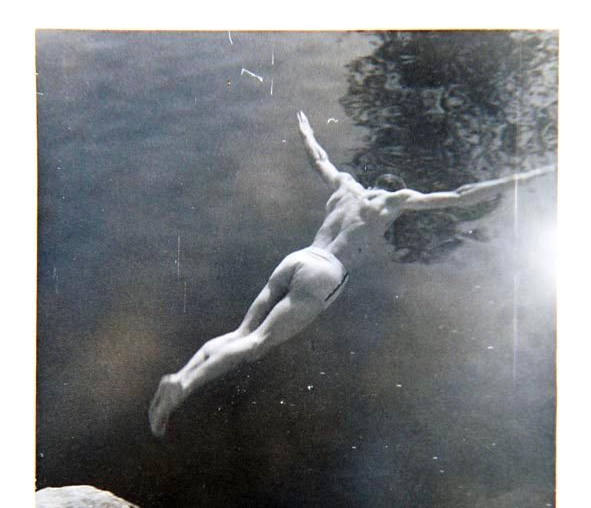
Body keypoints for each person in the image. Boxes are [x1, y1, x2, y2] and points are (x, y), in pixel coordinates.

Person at [149, 110, 554, 437]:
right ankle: (182, 386)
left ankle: (182, 378)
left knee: (240, 333)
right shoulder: (392, 201)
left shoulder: (345, 186)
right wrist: (521, 178)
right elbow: (461, 196)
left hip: (298, 256)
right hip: (324, 274)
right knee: (256, 345)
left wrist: (305, 129)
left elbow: (319, 158)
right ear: (393, 189)